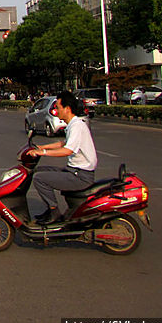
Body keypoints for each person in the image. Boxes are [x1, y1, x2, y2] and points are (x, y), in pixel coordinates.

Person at [27, 90, 97, 224]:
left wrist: (43, 153)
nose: (55, 111)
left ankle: (54, 211)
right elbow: (63, 143)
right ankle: (49, 209)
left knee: (39, 179)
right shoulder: (73, 124)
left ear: (67, 109)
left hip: (80, 176)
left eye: (57, 107)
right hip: (74, 171)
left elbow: (67, 150)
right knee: (39, 171)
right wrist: (43, 147)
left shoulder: (77, 126)